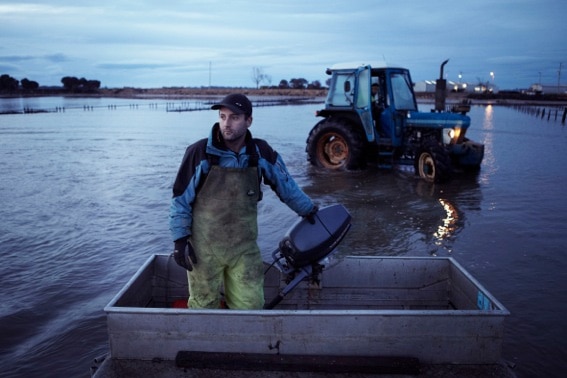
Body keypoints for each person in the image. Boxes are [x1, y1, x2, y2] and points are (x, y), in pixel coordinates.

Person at [169, 93, 317, 310]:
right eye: (222, 117)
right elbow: (180, 199)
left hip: (244, 248)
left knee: (251, 306)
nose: (226, 124)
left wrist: (310, 211)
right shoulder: (199, 153)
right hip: (204, 250)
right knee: (203, 306)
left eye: (234, 117)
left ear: (249, 121)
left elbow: (287, 188)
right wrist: (179, 240)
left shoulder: (260, 152)